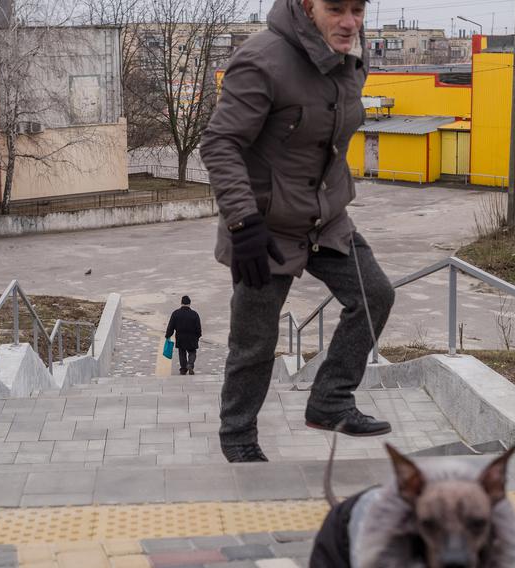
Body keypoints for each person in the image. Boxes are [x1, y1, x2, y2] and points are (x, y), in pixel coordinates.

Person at [200, 0, 395, 463]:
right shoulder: (262, 59)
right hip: (263, 230)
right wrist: (243, 221)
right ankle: (239, 437)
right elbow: (220, 142)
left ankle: (330, 400)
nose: (349, 22)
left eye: (358, 9)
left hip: (325, 219)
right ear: (308, 7)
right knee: (255, 343)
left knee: (375, 295)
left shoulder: (350, 57)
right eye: (336, 9)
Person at [165, 296, 202, 375]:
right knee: (192, 352)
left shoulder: (176, 313)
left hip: (180, 337)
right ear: (189, 303)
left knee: (182, 353)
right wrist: (198, 336)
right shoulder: (194, 314)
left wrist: (168, 335)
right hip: (192, 337)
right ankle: (190, 364)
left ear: (181, 303)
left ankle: (183, 369)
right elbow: (198, 328)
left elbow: (171, 326)